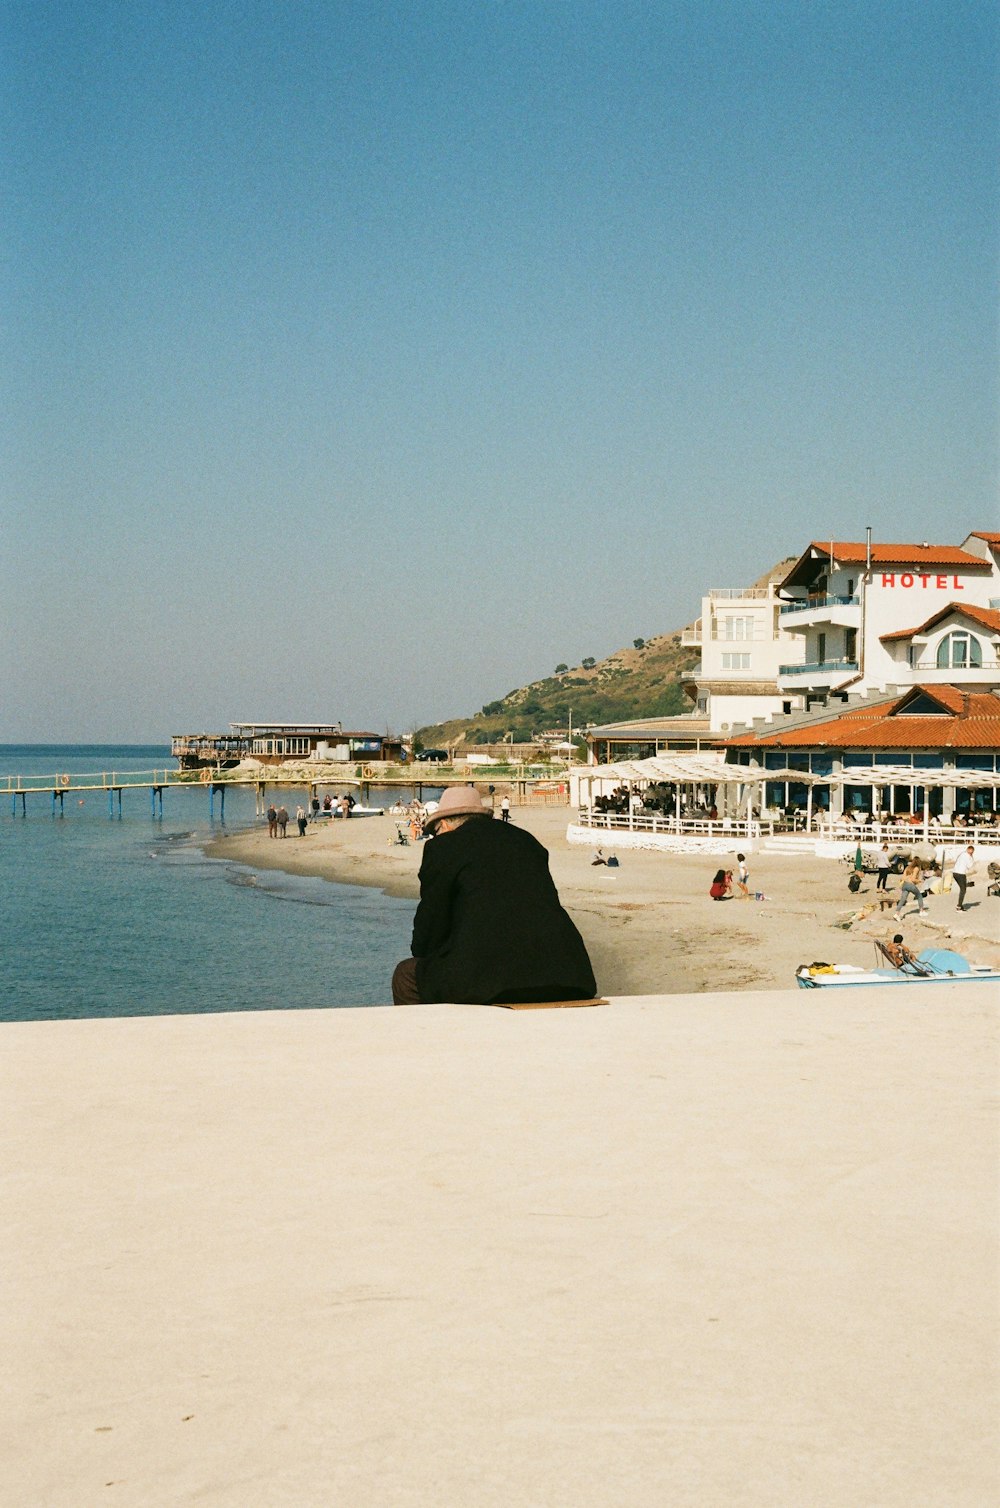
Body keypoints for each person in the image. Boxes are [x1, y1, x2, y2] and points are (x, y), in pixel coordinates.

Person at [391, 786, 596, 1006]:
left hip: (492, 981)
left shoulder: (444, 846)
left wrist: (428, 957)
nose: (435, 837)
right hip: (568, 974)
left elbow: (430, 923)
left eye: (435, 831)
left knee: (406, 975)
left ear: (445, 824)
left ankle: (433, 1039)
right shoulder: (526, 840)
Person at [951, 845, 976, 911]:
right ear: (969, 850)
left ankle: (960, 905)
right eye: (971, 852)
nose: (971, 853)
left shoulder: (962, 854)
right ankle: (959, 906)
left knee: (963, 888)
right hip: (961, 874)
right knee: (963, 890)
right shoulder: (968, 856)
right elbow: (970, 866)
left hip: (954, 873)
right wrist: (972, 858)